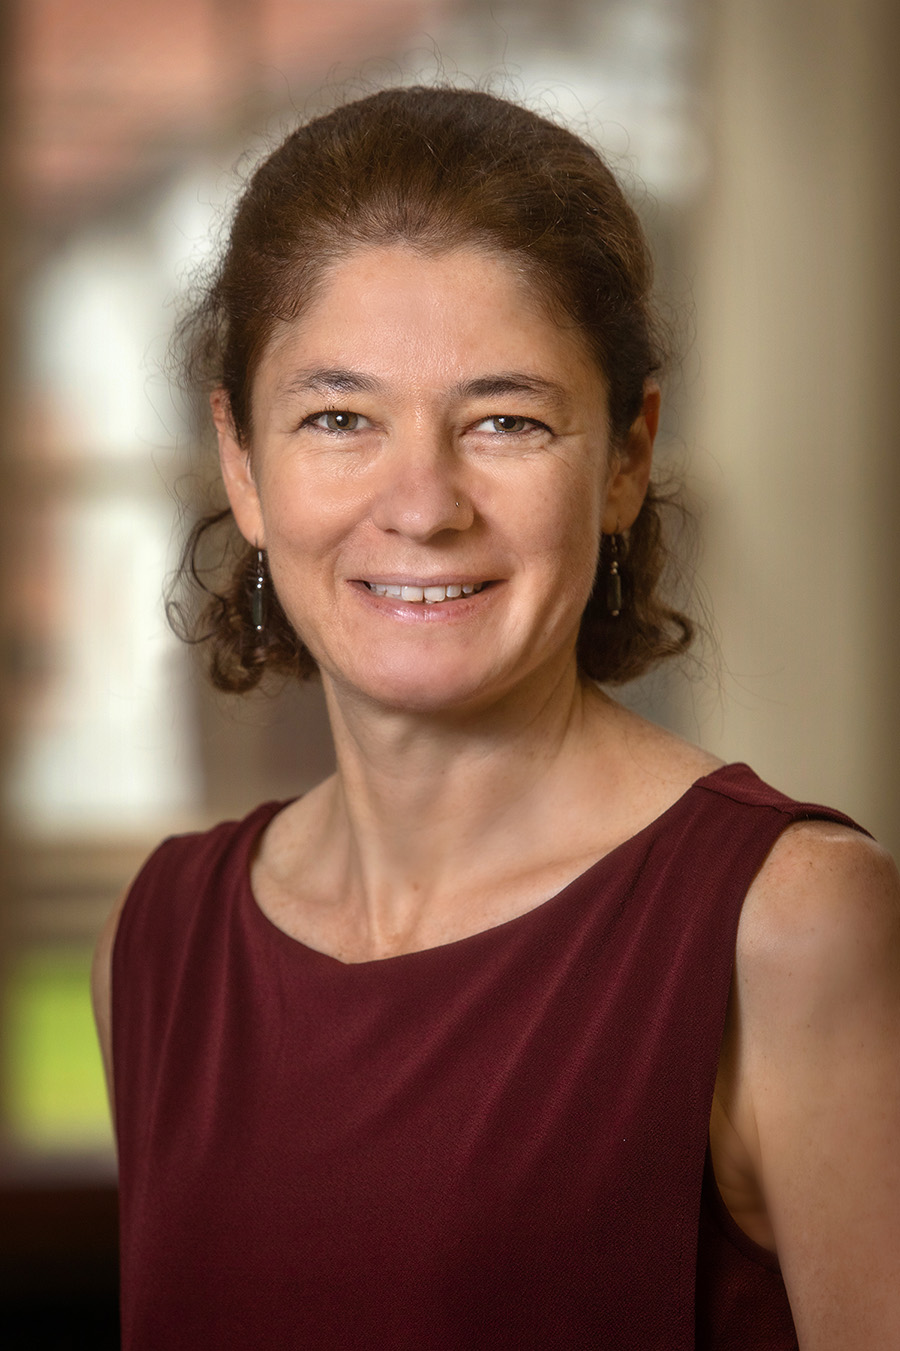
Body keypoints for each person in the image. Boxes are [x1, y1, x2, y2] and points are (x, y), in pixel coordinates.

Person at [92, 86, 900, 1349]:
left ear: (627, 458)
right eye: (340, 417)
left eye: (506, 420)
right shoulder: (161, 940)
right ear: (242, 463)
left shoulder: (793, 923)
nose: (422, 504)